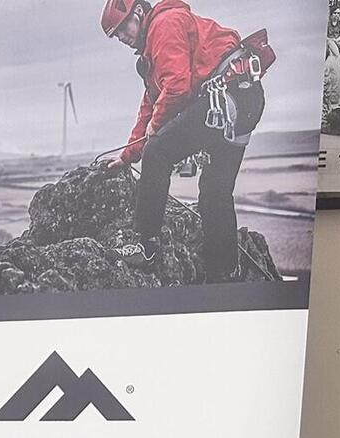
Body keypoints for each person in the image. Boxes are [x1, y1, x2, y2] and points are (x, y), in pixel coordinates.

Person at [102, 0, 269, 280]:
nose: (120, 37)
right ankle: (223, 272)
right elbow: (151, 103)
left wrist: (156, 127)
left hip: (225, 98)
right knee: (215, 190)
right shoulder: (154, 48)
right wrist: (128, 155)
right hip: (244, 99)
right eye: (115, 34)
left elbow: (177, 88)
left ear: (139, 12)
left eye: (122, 27)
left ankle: (146, 247)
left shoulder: (163, 25)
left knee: (157, 152)